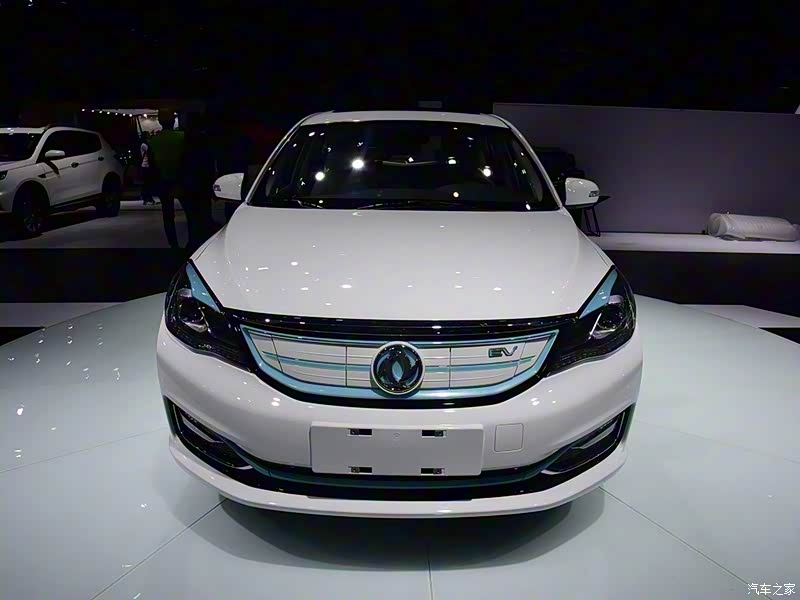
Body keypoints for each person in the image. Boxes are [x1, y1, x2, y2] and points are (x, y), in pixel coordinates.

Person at [148, 110, 185, 249]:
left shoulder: (154, 140)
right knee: (191, 212)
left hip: (163, 180)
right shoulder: (182, 137)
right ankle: (193, 242)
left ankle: (173, 244)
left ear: (159, 121)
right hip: (181, 179)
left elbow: (152, 164)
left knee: (168, 215)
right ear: (173, 120)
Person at [180, 112, 217, 252]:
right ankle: (203, 244)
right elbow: (209, 164)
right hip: (202, 183)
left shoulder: (188, 142)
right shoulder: (204, 141)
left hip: (191, 184)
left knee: (193, 217)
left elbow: (184, 163)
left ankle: (194, 243)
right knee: (204, 214)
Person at [139, 132, 155, 205]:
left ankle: (148, 197)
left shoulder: (146, 143)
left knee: (148, 182)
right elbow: (150, 150)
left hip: (148, 165)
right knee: (147, 183)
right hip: (145, 165)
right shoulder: (144, 144)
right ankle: (146, 197)